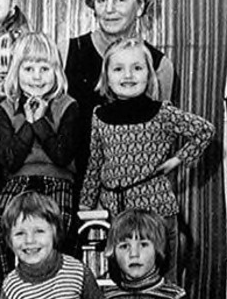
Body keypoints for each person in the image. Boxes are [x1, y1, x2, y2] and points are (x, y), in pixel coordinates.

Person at [79, 38, 214, 277]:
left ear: (149, 75)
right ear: (106, 77)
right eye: (118, 69)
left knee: (162, 281)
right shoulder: (99, 115)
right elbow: (95, 163)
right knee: (121, 281)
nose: (128, 75)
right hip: (116, 214)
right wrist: (85, 204)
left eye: (137, 68)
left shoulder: (162, 112)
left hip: (156, 212)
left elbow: (205, 130)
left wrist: (177, 159)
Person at [64, 0, 176, 188]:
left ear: (140, 6)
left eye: (120, 0)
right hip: (72, 185)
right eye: (102, 0)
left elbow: (159, 142)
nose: (109, 9)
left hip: (132, 186)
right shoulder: (66, 52)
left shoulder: (160, 66)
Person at [0, 32, 81, 286]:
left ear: (56, 72)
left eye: (44, 69)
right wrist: (28, 124)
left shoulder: (67, 105)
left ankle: (60, 287)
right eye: (28, 69)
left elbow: (62, 156)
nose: (37, 77)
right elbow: (9, 161)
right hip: (19, 178)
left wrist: (40, 122)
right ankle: (9, 286)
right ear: (16, 72)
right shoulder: (7, 108)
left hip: (57, 178)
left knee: (61, 221)